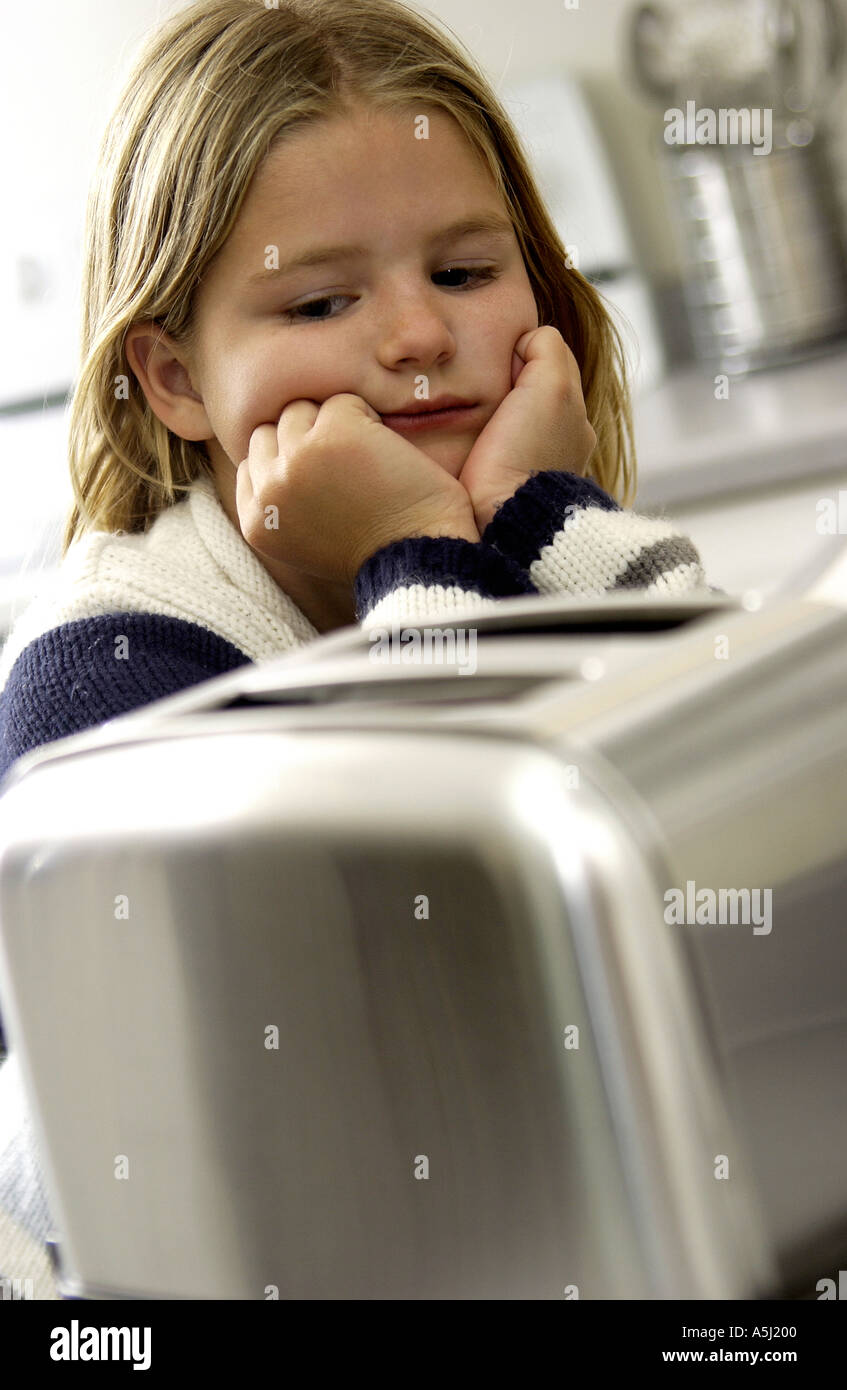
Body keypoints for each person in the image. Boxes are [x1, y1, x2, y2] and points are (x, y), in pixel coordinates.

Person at [0, 0, 712, 1299]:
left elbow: (722, 807)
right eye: (322, 297)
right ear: (171, 377)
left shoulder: (533, 510)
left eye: (463, 271)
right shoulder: (110, 683)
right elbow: (406, 1031)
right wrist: (419, 558)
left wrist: (551, 521)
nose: (417, 338)